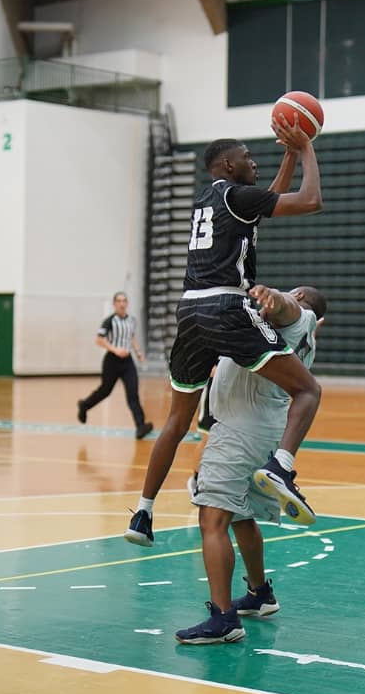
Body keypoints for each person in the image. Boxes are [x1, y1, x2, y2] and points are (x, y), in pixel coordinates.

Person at [125, 117, 323, 548]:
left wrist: (287, 154)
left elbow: (267, 198)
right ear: (229, 166)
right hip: (224, 304)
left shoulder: (208, 200)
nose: (254, 163)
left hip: (189, 309)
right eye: (248, 158)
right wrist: (306, 146)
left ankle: (143, 511)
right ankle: (281, 467)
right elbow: (309, 201)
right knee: (307, 390)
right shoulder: (236, 196)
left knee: (177, 421)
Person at [175, 282, 326, 644]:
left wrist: (273, 296)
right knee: (240, 517)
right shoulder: (287, 333)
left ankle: (223, 618)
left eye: (296, 292)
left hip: (240, 430)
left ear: (303, 298)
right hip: (265, 428)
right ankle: (260, 594)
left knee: (212, 518)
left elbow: (285, 305)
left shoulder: (296, 314)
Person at [78, 292, 153, 440]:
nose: (122, 304)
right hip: (112, 361)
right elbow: (99, 340)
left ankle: (140, 426)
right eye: (119, 301)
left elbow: (131, 337)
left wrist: (138, 352)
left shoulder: (132, 320)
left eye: (124, 301)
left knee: (133, 394)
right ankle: (84, 405)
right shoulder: (109, 321)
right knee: (105, 391)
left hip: (127, 362)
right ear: (114, 304)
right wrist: (115, 350)